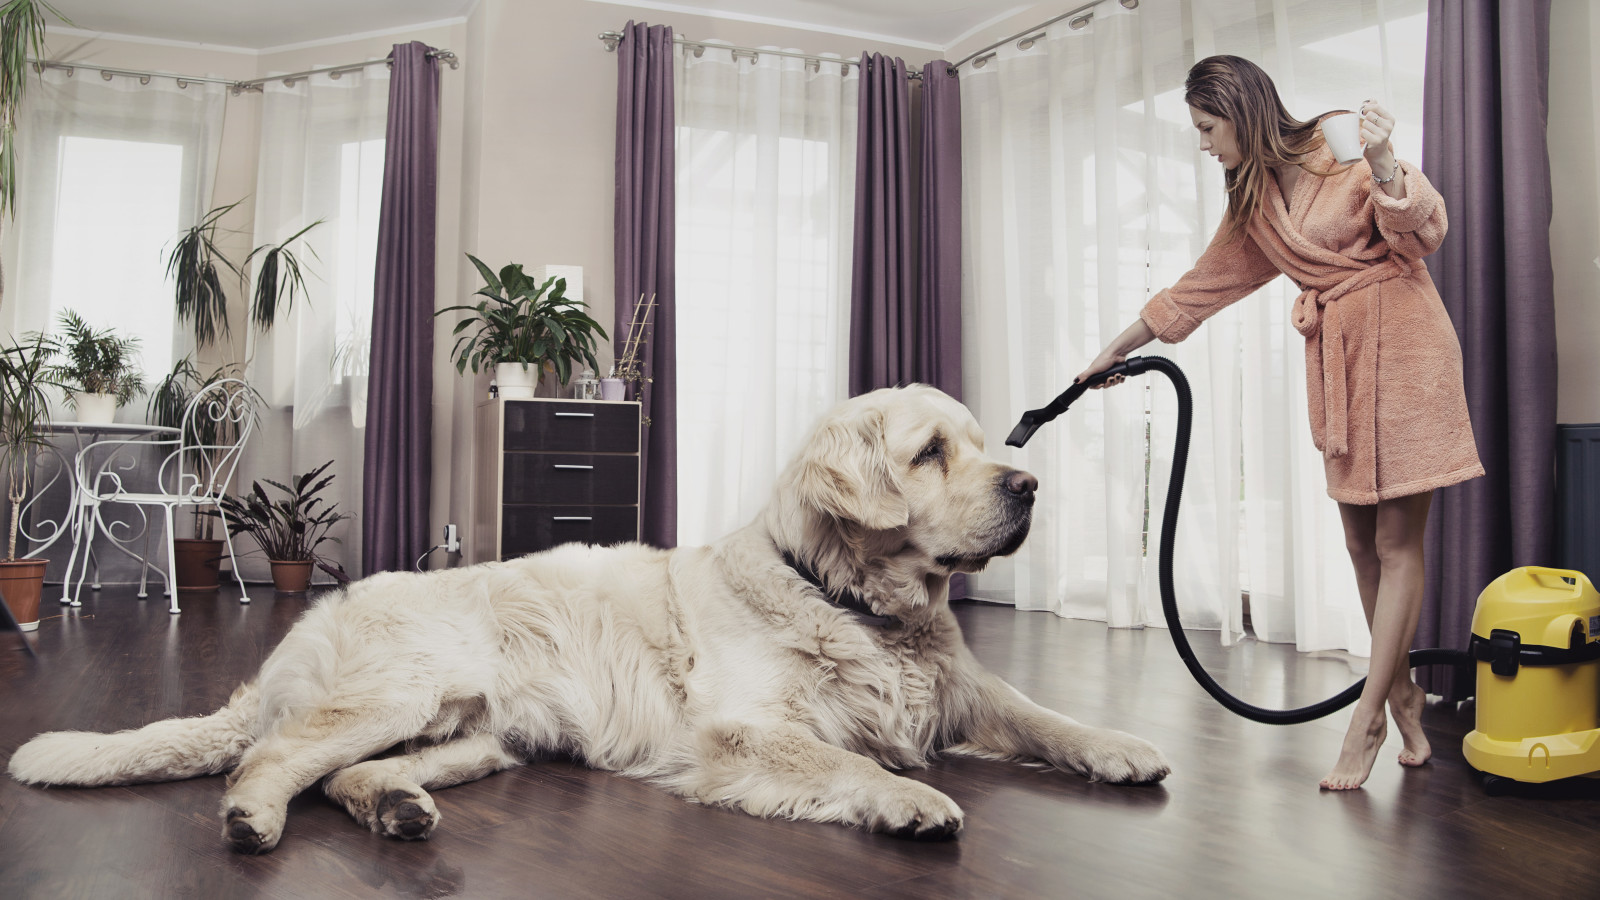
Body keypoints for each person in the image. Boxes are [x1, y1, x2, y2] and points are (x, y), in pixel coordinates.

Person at [1076, 55, 1483, 790]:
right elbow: (1197, 288)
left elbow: (1423, 235)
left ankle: (1367, 721)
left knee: (1396, 541)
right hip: (1344, 360)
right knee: (1360, 542)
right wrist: (1111, 351)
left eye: (1207, 127)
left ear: (1239, 110)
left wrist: (1389, 162)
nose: (1203, 144)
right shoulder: (1257, 202)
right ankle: (1403, 696)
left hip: (1408, 346)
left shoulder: (1342, 148)